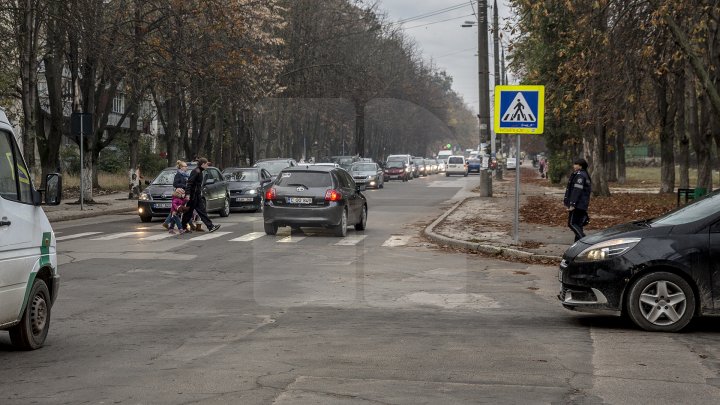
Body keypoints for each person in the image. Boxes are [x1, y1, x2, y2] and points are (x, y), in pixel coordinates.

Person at [181, 157, 220, 233]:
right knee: (189, 212)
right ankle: (183, 226)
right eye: (206, 164)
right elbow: (189, 183)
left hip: (197, 195)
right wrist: (188, 194)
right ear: (202, 164)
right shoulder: (196, 171)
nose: (207, 166)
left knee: (201, 211)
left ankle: (210, 226)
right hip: (193, 196)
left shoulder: (200, 171)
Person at [563, 158, 591, 242]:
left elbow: (577, 190)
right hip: (582, 204)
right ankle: (578, 244)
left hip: (578, 204)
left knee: (571, 223)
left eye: (576, 164)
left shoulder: (580, 175)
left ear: (580, 165)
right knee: (578, 224)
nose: (574, 165)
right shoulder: (584, 174)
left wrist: (572, 204)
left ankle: (584, 240)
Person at [163, 160, 190, 230]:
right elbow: (175, 184)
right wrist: (184, 185)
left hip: (182, 194)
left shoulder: (184, 175)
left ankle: (169, 224)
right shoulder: (178, 174)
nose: (187, 168)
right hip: (178, 194)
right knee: (178, 209)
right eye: (185, 166)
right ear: (181, 167)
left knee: (177, 210)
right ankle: (168, 223)